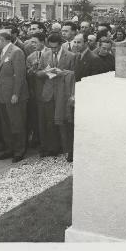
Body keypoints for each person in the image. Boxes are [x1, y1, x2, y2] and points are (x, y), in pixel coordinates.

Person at [0, 30, 28, 163]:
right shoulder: (1, 52)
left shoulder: (16, 52)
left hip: (13, 95)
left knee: (17, 123)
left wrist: (16, 93)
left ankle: (19, 150)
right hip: (3, 94)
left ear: (3, 39)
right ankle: (10, 148)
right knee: (6, 124)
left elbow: (19, 75)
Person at [36, 32, 77, 161]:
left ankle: (67, 148)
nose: (53, 50)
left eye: (55, 47)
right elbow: (38, 73)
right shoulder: (45, 54)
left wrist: (61, 73)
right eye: (51, 47)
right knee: (50, 121)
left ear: (61, 45)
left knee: (64, 121)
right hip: (49, 92)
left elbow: (75, 74)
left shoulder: (70, 56)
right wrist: (45, 72)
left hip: (63, 93)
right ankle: (53, 148)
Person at [25, 31, 47, 150]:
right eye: (31, 42)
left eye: (35, 42)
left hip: (48, 90)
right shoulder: (30, 57)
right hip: (35, 91)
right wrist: (32, 69)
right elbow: (27, 75)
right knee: (36, 117)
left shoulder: (50, 53)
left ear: (43, 42)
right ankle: (38, 139)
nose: (32, 44)